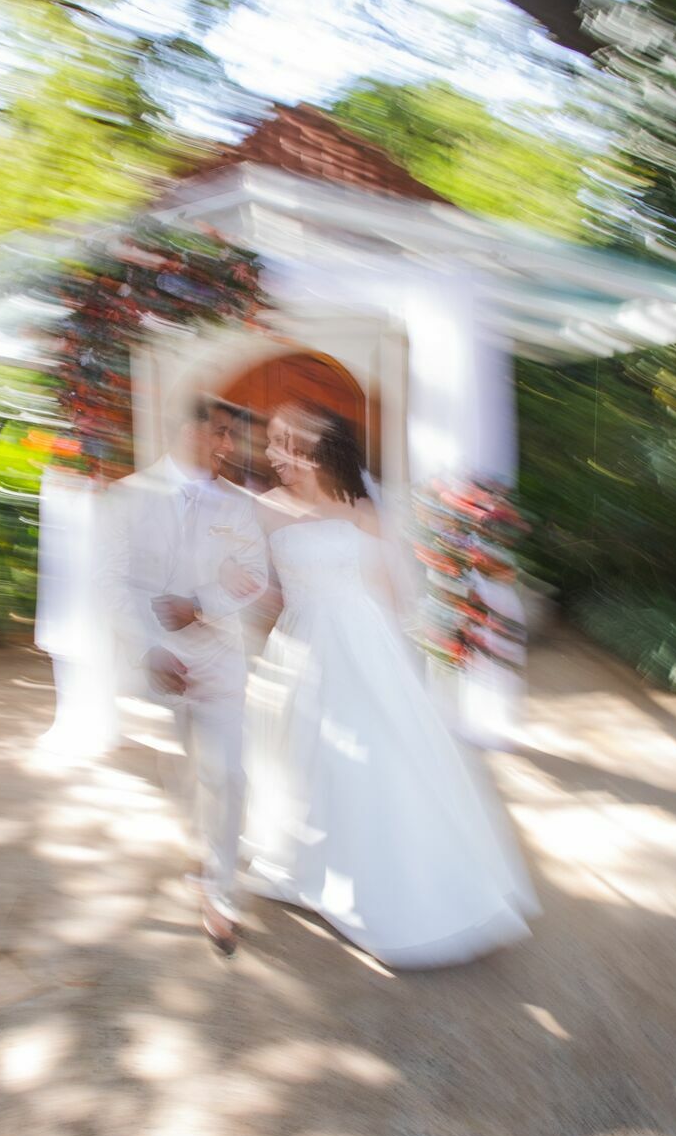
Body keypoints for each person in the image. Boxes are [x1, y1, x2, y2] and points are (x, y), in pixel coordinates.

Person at [241, 403, 539, 969]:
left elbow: (391, 593)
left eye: (283, 443)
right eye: (271, 443)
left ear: (313, 447)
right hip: (300, 647)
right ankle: (315, 867)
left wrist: (402, 664)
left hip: (363, 645)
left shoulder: (361, 509)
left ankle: (407, 887)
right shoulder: (264, 511)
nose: (273, 455)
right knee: (308, 760)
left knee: (377, 760)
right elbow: (257, 586)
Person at [100, 397, 269, 956]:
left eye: (232, 436)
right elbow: (112, 584)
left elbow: (256, 580)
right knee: (182, 770)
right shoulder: (126, 498)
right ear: (184, 430)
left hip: (220, 655)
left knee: (230, 774)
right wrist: (150, 649)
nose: (227, 446)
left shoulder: (238, 506)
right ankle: (197, 847)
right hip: (158, 661)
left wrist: (200, 604)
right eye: (219, 432)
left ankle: (218, 892)